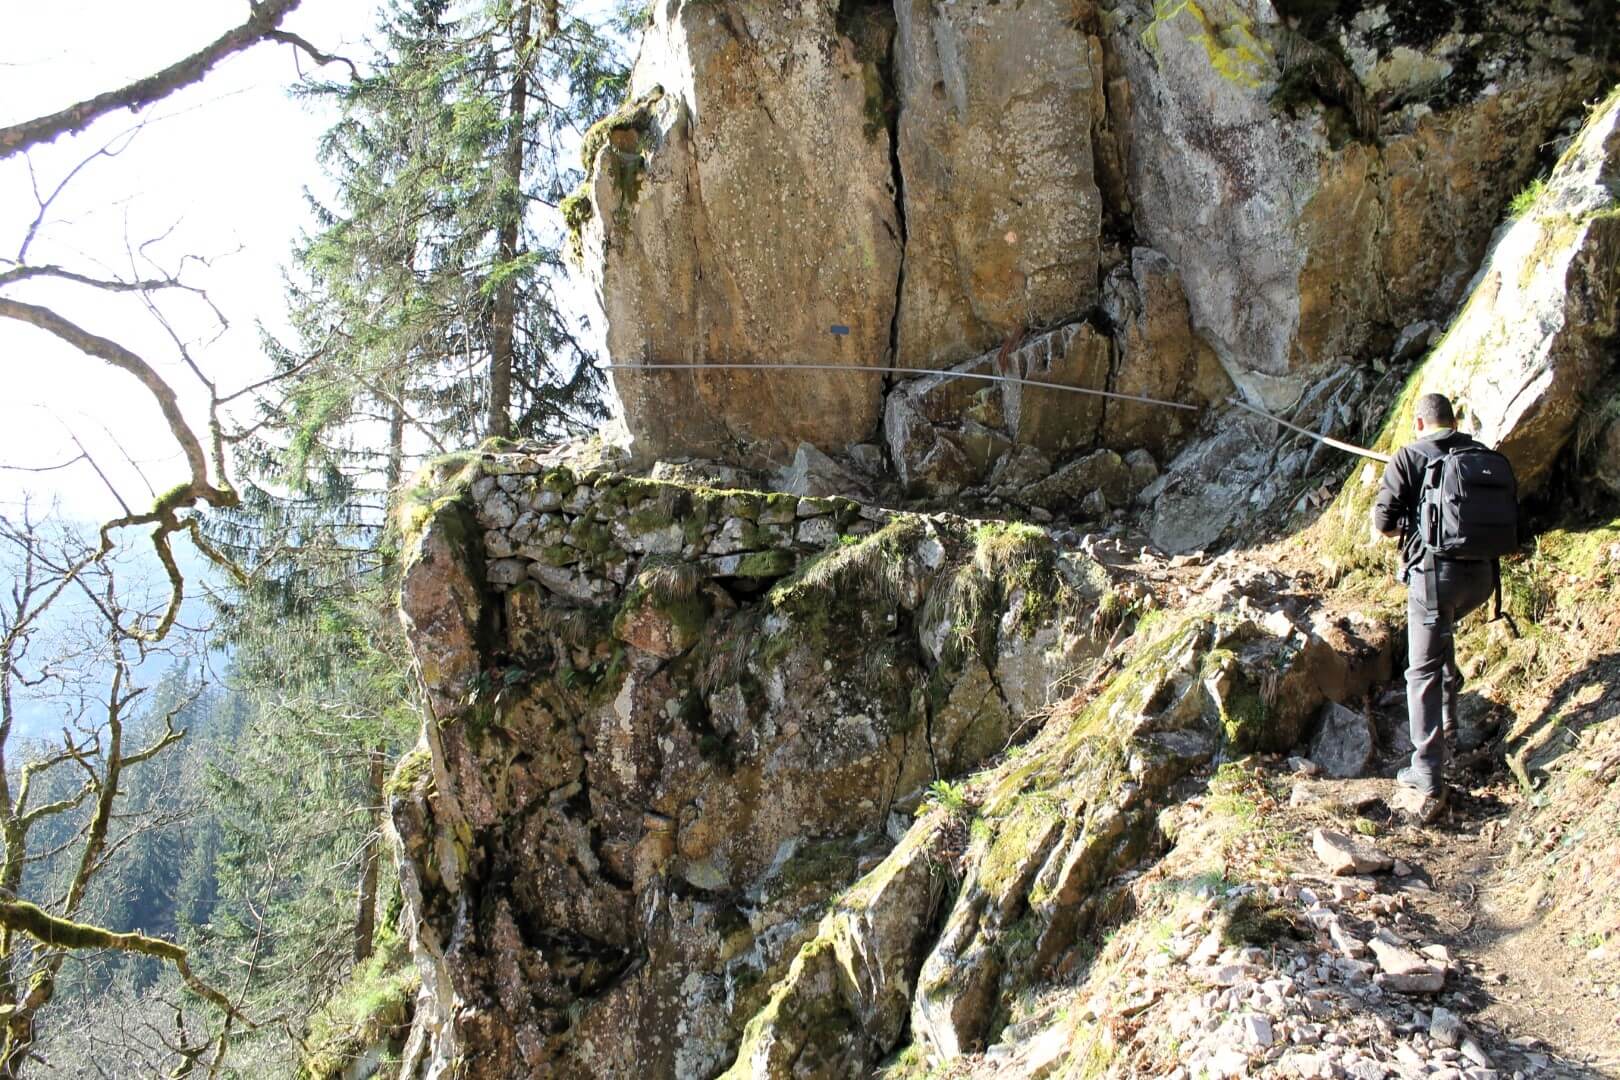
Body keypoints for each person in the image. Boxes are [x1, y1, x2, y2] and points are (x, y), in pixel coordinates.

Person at [1369, 393, 1503, 813]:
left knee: (1421, 669)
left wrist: (1412, 517)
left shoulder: (1408, 457)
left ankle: (1427, 772)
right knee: (1441, 639)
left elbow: (1384, 524)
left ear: (1419, 423)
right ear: (1454, 420)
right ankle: (1449, 731)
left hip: (1434, 579)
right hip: (1481, 578)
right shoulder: (1479, 452)